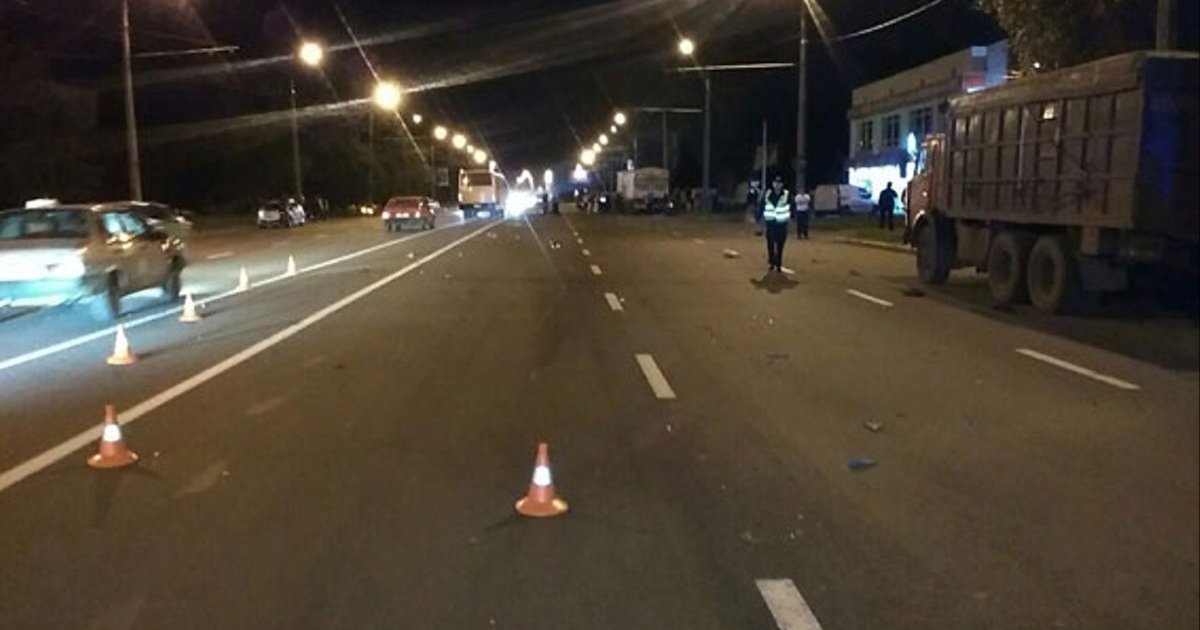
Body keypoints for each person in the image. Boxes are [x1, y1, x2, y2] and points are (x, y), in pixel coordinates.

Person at [760, 175, 793, 272]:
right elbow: (762, 205)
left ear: (782, 185)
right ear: (773, 184)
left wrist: (792, 219)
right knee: (770, 244)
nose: (777, 185)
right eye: (775, 183)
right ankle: (771, 262)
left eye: (779, 183)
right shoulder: (767, 194)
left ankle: (778, 264)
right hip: (770, 223)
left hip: (782, 224)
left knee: (780, 245)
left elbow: (792, 207)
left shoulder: (786, 194)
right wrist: (759, 218)